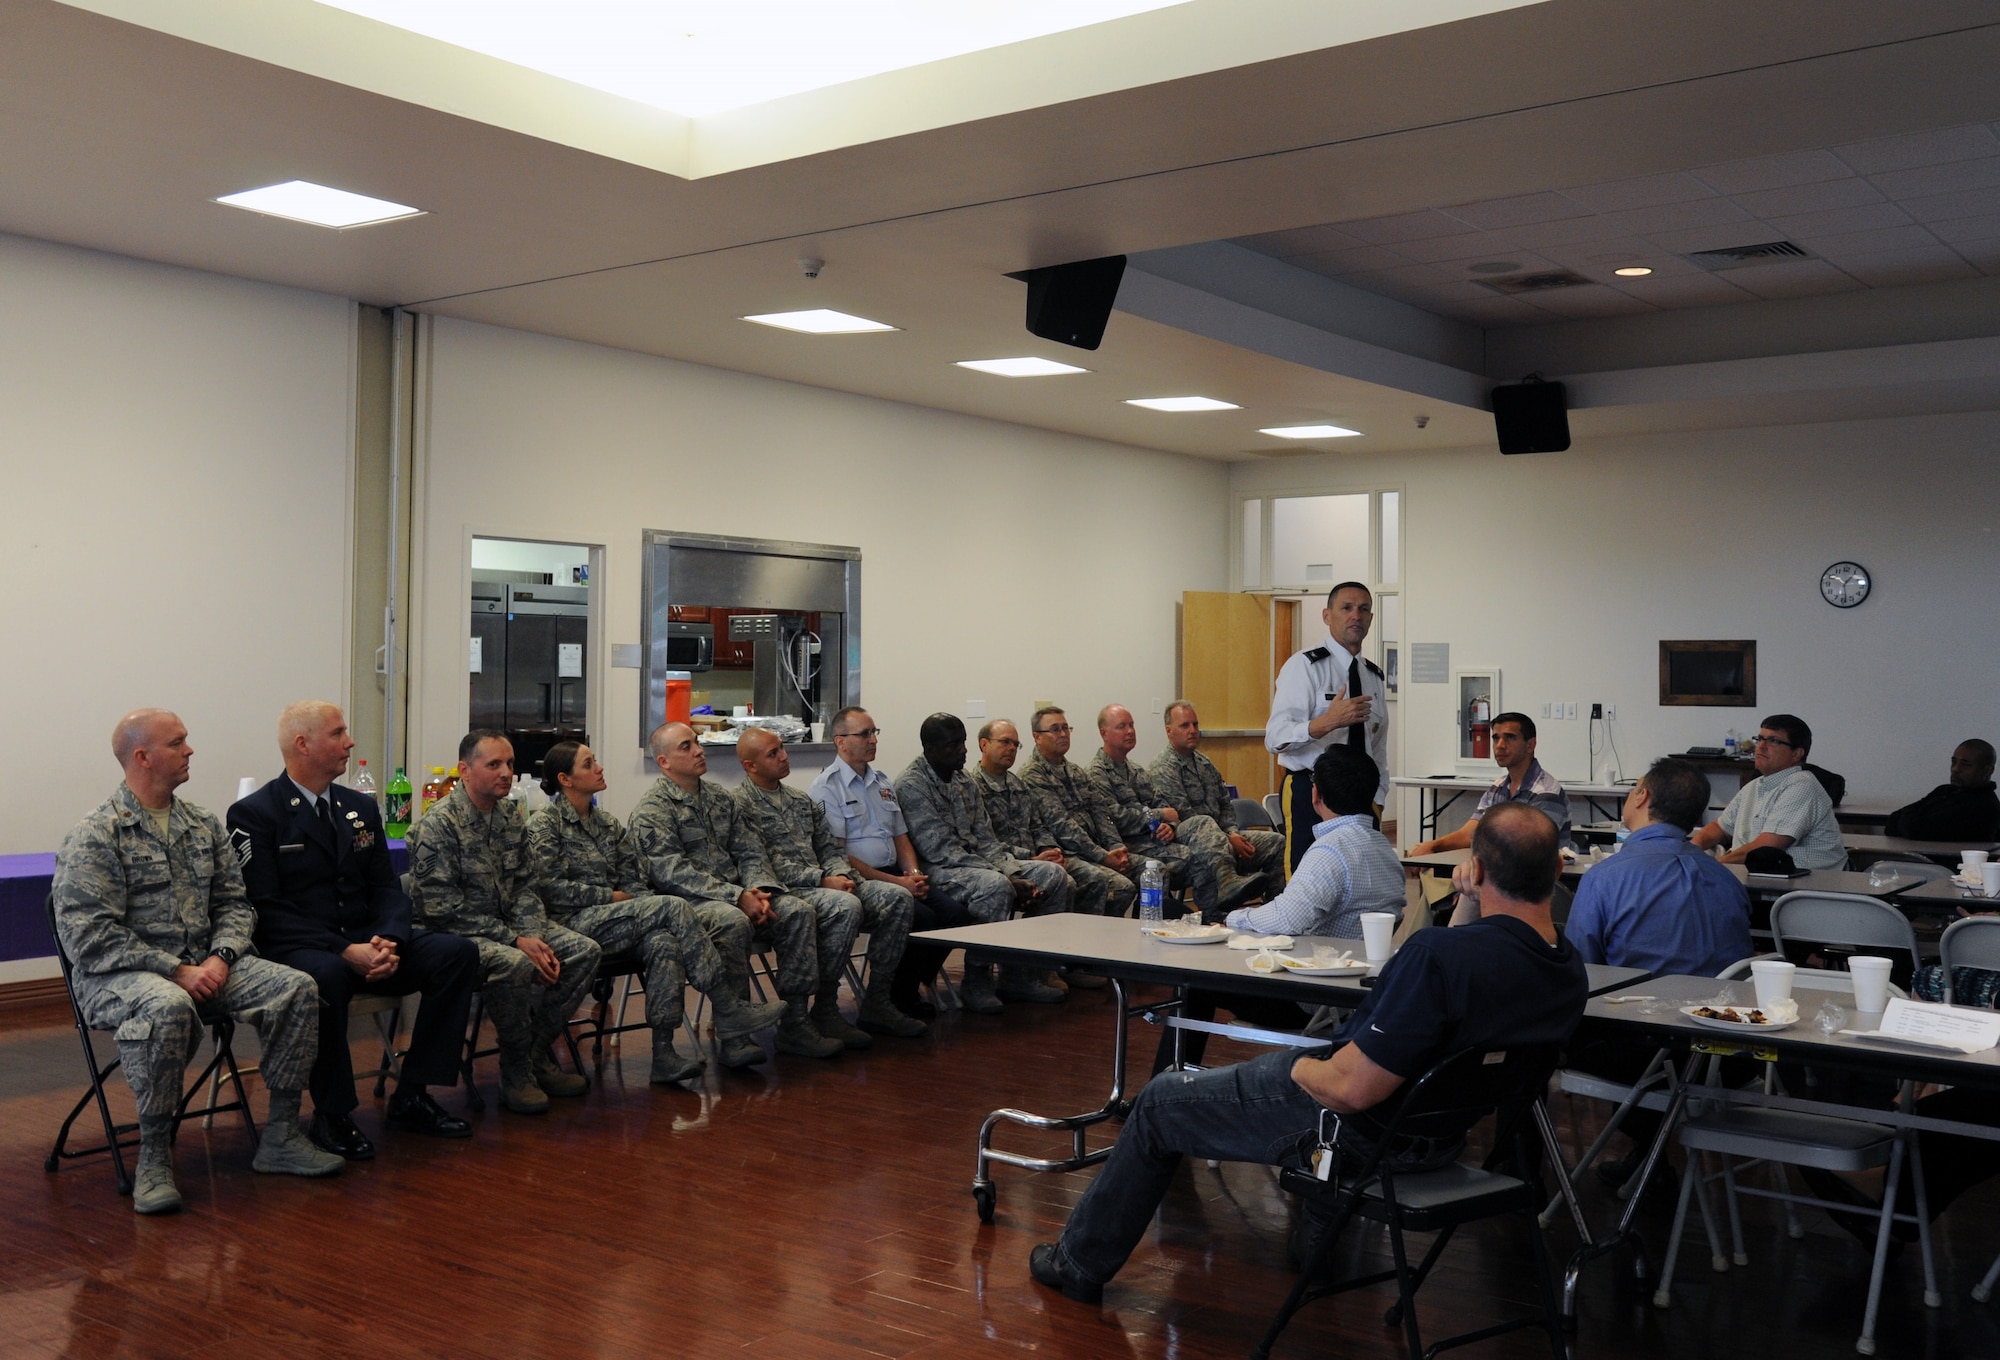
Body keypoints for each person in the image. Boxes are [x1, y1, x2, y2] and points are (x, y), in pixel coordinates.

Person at [1026, 802, 1589, 1304]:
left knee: (1160, 1101)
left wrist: (1295, 1064)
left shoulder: (1435, 956)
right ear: (1557, 869)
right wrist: (1469, 902)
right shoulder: (1567, 970)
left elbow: (1348, 1090)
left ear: (1479, 869)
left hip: (1358, 1129)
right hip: (1439, 1136)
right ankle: (1315, 1241)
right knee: (1323, 1064)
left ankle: (1078, 1263)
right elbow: (1470, 968)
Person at [52, 709, 343, 1214]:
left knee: (296, 986)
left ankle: (280, 1136)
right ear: (142, 756)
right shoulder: (97, 834)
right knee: (166, 1006)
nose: (190, 751)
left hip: (207, 968)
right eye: (178, 743)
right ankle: (154, 1157)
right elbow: (89, 936)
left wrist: (222, 957)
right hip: (119, 978)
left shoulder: (202, 824)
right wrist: (176, 970)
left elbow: (235, 903)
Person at [228, 701, 476, 1160]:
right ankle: (332, 1113)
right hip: (304, 946)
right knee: (325, 976)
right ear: (303, 744)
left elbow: (386, 886)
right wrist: (346, 949)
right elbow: (265, 908)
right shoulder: (256, 814)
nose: (350, 741)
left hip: (370, 941)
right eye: (339, 733)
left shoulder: (359, 806)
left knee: (455, 953)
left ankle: (414, 1093)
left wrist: (389, 938)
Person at [529, 741, 789, 1086]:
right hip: (572, 922)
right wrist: (610, 896)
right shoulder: (545, 825)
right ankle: (726, 1005)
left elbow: (634, 876)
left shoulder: (606, 823)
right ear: (566, 779)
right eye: (589, 764)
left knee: (662, 941)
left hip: (619, 917)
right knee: (672, 905)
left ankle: (663, 1054)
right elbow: (549, 888)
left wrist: (629, 898)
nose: (600, 768)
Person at [1562, 757, 1754, 1187]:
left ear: (1642, 796)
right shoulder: (1726, 879)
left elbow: (1582, 972)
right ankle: (1649, 1157)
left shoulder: (1606, 878)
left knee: (1555, 1030)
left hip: (1646, 1055)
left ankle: (1524, 1175)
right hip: (1730, 1052)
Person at [627, 722, 851, 1062]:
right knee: (731, 921)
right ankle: (735, 1038)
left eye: (697, 743)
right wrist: (736, 896)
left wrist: (757, 890)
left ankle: (796, 1021)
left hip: (740, 895)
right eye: (686, 747)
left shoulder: (720, 799)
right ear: (664, 762)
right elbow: (672, 874)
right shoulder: (653, 810)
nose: (699, 750)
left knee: (796, 911)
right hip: (690, 905)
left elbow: (750, 851)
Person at [408, 731, 603, 1114]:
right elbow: (441, 907)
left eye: (510, 764)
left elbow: (527, 885)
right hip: (454, 936)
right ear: (464, 770)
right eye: (494, 764)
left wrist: (530, 932)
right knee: (515, 963)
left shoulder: (509, 817)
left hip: (510, 929)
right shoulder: (439, 825)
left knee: (584, 950)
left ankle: (533, 1053)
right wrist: (515, 940)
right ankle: (516, 1071)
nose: (506, 773)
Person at [733, 727, 927, 1040]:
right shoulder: (739, 806)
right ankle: (822, 1008)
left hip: (826, 882)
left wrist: (843, 876)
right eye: (773, 753)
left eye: (783, 748)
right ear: (750, 765)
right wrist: (823, 880)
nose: (784, 757)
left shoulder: (798, 800)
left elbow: (830, 848)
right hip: (785, 890)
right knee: (844, 906)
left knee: (896, 898)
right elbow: (761, 864)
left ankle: (878, 999)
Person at [807, 707, 975, 1019]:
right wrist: (899, 884)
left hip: (898, 874)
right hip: (860, 879)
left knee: (956, 914)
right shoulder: (826, 788)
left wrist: (912, 873)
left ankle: (907, 983)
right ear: (840, 742)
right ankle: (895, 995)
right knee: (923, 918)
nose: (873, 740)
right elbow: (838, 855)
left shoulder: (881, 781)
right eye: (864, 734)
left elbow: (900, 837)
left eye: (875, 732)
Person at [897, 712, 1070, 1008]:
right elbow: (941, 850)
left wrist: (1012, 870)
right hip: (938, 871)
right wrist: (1006, 879)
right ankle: (977, 981)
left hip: (978, 865)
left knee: (1053, 876)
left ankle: (1023, 973)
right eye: (954, 744)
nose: (964, 750)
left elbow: (986, 839)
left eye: (963, 742)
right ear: (931, 748)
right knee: (995, 887)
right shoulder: (912, 785)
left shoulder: (964, 780)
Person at [1090, 704, 1262, 921]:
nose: (1130, 731)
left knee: (1201, 856)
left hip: (1155, 839)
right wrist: (1158, 817)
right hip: (1127, 844)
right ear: (1104, 733)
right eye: (1122, 726)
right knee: (1196, 835)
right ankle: (1164, 926)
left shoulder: (1135, 770)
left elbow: (1162, 806)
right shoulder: (1097, 773)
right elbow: (1116, 818)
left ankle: (1214, 919)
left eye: (1132, 725)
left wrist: (1169, 827)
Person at [1266, 582, 1390, 877]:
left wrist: (1379, 796)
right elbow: (1275, 737)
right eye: (1346, 608)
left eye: (1363, 610)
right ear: (1327, 615)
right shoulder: (1305, 667)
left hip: (1362, 796)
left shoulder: (1372, 676)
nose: (1355, 616)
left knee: (1360, 879)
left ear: (1371, 619)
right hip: (1313, 791)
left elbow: (1379, 746)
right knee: (1307, 878)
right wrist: (1326, 722)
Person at [1223, 746, 1405, 940]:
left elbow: (1287, 918)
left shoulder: (1329, 851)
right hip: (1368, 961)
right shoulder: (1384, 848)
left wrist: (1231, 919)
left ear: (1315, 793)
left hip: (1322, 960)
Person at [974, 718, 1116, 919]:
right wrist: (1032, 858)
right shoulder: (974, 787)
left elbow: (1038, 826)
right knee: (1064, 882)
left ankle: (1078, 941)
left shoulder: (1018, 785)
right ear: (984, 744)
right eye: (1005, 742)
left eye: (1015, 744)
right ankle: (1042, 943)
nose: (1012, 748)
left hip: (1038, 859)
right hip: (1005, 863)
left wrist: (1048, 849)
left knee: (1096, 878)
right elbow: (987, 843)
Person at [1148, 700, 1285, 895]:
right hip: (1187, 839)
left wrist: (1233, 832)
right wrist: (1228, 838)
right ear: (1169, 730)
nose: (1193, 730)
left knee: (1277, 843)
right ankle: (1226, 890)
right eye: (1185, 725)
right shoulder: (1163, 768)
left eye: (1195, 724)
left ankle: (1273, 910)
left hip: (1222, 836)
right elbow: (1186, 817)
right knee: (1206, 830)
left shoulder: (1204, 763)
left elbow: (1225, 803)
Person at [1018, 706, 1140, 917]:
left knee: (1150, 870)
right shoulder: (1032, 775)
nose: (1063, 734)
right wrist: (1103, 857)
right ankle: (1083, 941)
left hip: (1095, 850)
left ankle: (1108, 941)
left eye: (1066, 728)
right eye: (1055, 729)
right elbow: (1062, 826)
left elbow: (1100, 812)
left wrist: (1115, 846)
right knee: (1105, 881)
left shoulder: (1076, 772)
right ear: (1037, 737)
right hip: (1066, 853)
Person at [1691, 714, 1845, 868]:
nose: (1761, 746)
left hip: (1808, 885)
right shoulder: (1754, 786)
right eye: (1760, 739)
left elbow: (1766, 848)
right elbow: (1720, 828)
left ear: (1796, 754)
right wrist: (1690, 850)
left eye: (1773, 741)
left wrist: (1713, 866)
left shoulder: (1802, 785)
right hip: (1762, 880)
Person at [1406, 711, 1572, 854]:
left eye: (1509, 738)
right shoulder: (1498, 788)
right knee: (1424, 856)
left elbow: (1527, 848)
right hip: (1502, 873)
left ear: (1530, 745)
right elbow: (1470, 834)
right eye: (1495, 738)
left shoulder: (1547, 793)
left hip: (1534, 882)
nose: (1500, 745)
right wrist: (1432, 846)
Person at [1883, 739, 1999, 842]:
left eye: (1965, 764)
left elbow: (1917, 830)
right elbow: (1892, 820)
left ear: (1987, 770)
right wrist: (1911, 822)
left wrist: (1910, 820)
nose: (1955, 769)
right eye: (1954, 762)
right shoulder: (1943, 791)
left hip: (1947, 865)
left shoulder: (1985, 806)